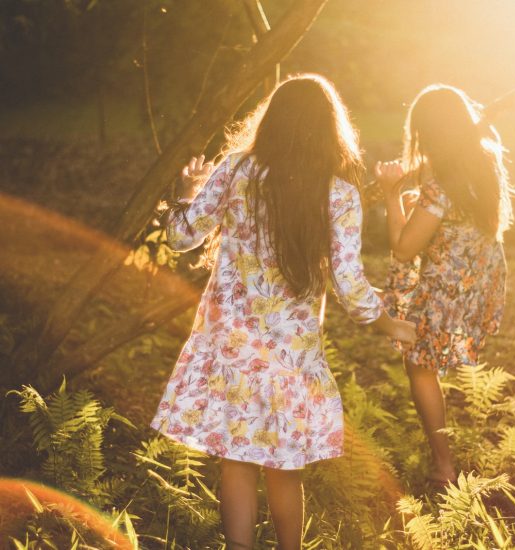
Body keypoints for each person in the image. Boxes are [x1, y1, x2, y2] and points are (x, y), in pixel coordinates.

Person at [151, 74, 416, 550]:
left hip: (230, 343)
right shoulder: (338, 195)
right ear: (331, 130)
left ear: (270, 122)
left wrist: (188, 192)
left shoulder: (235, 171)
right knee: (283, 464)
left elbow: (180, 237)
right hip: (290, 353)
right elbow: (350, 285)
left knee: (236, 457)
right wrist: (388, 322)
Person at [375, 84, 515, 487]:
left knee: (419, 365)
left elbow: (403, 250)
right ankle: (444, 454)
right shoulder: (485, 164)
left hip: (450, 286)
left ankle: (443, 465)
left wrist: (391, 195)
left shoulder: (440, 188)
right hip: (480, 278)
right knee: (427, 358)